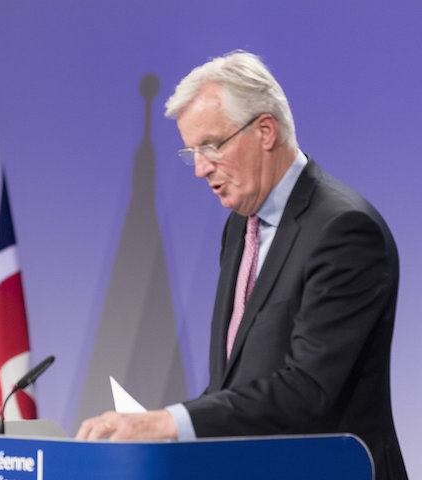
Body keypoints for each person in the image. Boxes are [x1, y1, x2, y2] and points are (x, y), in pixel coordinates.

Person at [76, 51, 407, 479]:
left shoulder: (343, 230)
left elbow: (307, 389)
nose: (200, 169)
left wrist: (169, 422)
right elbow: (235, 383)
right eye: (192, 151)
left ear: (265, 131)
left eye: (211, 145)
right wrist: (172, 433)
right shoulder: (240, 227)